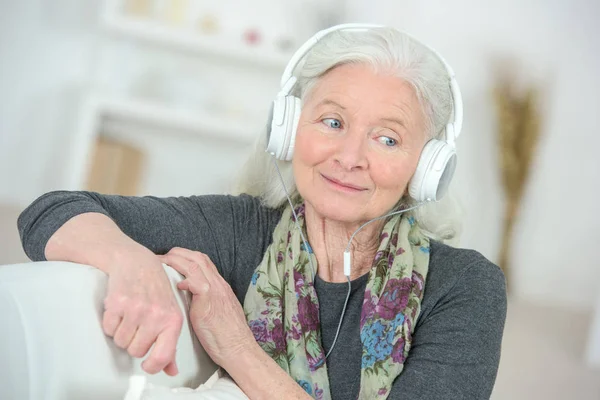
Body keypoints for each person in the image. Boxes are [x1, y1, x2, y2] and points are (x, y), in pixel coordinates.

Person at [17, 24, 507, 400]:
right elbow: (50, 212)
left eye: (387, 138)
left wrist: (237, 349)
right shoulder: (240, 229)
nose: (350, 156)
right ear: (288, 129)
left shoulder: (466, 287)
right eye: (332, 121)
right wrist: (132, 262)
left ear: (426, 167)